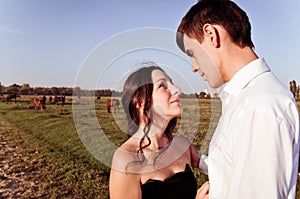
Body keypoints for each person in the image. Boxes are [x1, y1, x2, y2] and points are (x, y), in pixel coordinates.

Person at [176, 0, 300, 198]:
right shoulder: (247, 98)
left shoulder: (258, 106)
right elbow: (240, 167)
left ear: (211, 34)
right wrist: (200, 161)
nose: (194, 67)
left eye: (193, 53)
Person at [109, 64, 202, 199]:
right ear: (140, 102)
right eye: (163, 85)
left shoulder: (182, 144)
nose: (177, 89)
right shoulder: (126, 159)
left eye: (172, 83)